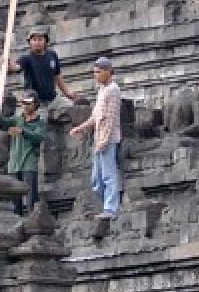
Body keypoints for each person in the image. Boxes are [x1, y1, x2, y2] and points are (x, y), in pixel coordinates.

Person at [69, 57, 123, 220]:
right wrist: (80, 128)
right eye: (94, 72)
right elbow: (95, 117)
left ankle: (111, 208)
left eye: (98, 72)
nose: (96, 75)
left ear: (108, 72)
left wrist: (104, 141)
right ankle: (101, 206)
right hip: (98, 139)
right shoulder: (101, 90)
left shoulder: (113, 90)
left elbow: (111, 118)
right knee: (96, 178)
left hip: (108, 139)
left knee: (108, 174)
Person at [0, 91, 47, 216]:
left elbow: (39, 136)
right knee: (15, 201)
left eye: (28, 103)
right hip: (14, 164)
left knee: (31, 199)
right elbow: (1, 123)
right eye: (23, 103)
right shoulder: (17, 119)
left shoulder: (40, 122)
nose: (25, 106)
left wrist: (23, 132)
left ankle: (34, 222)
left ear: (35, 104)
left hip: (29, 162)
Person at [7, 26, 80, 109]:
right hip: (37, 103)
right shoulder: (26, 58)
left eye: (40, 39)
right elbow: (15, 67)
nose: (37, 42)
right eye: (34, 40)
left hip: (54, 99)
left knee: (72, 108)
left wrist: (68, 93)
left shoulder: (52, 55)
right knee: (41, 119)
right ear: (30, 42)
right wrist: (8, 63)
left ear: (45, 41)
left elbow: (58, 76)